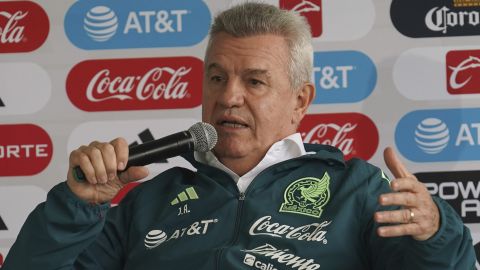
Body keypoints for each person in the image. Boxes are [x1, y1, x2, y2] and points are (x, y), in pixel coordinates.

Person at [3, 2, 476, 269]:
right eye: (216, 78)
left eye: (254, 81)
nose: (228, 97)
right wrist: (77, 205)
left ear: (300, 102)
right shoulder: (146, 202)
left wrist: (434, 234)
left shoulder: (357, 188)